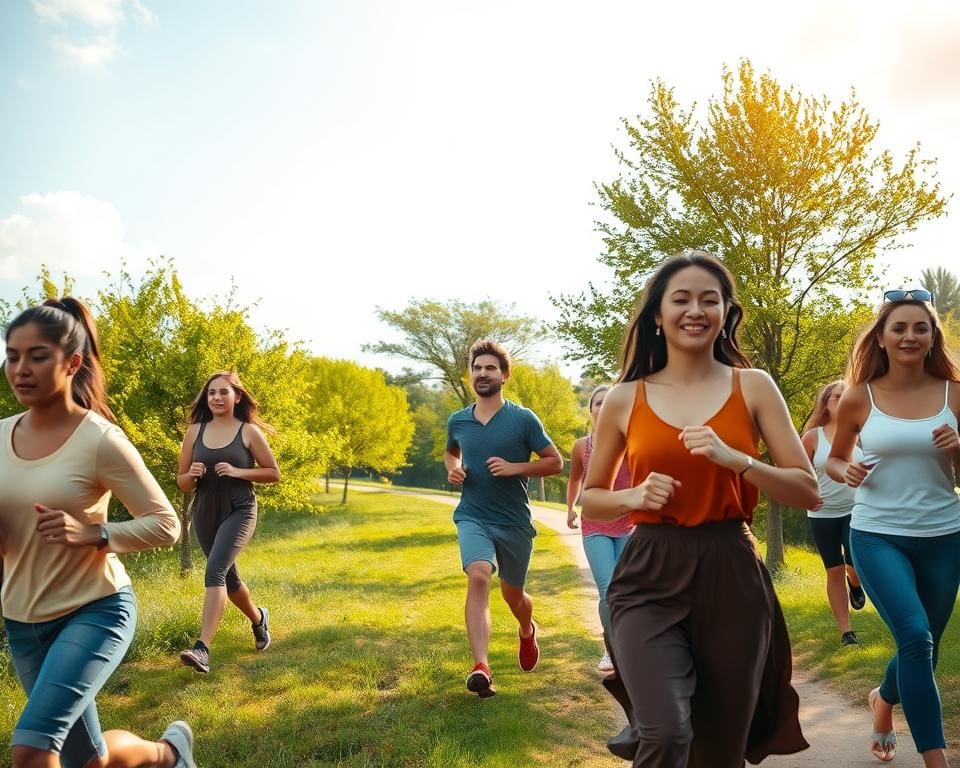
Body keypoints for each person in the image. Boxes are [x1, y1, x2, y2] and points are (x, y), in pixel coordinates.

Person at [581, 250, 816, 767]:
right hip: (649, 571)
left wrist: (740, 461)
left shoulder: (752, 386)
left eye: (710, 300)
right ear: (658, 316)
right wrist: (634, 497)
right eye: (681, 299)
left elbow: (807, 489)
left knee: (720, 748)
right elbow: (591, 497)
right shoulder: (624, 397)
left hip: (730, 570)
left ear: (726, 313)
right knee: (664, 731)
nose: (696, 310)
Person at [1, 298, 196, 768]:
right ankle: (168, 755)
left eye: (37, 356)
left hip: (95, 609)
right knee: (89, 761)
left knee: (32, 750)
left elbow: (165, 524)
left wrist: (94, 533)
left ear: (72, 363)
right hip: (23, 621)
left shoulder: (100, 440)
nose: (20, 369)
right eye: (12, 355)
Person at [827, 288, 960, 766]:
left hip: (945, 537)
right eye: (898, 328)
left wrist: (957, 449)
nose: (909, 336)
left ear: (932, 337)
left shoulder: (956, 395)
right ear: (880, 338)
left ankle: (883, 700)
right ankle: (937, 759)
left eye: (919, 328)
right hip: (878, 535)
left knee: (924, 642)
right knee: (916, 637)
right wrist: (848, 472)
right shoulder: (859, 397)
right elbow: (837, 460)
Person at [444, 339, 563, 698]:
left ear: (504, 375)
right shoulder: (458, 420)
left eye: (490, 368)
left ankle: (527, 630)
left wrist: (516, 468)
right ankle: (481, 666)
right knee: (478, 576)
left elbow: (555, 462)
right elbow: (451, 453)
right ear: (470, 375)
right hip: (473, 515)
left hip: (513, 522)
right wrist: (454, 469)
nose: (482, 373)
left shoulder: (523, 419)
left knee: (514, 596)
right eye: (476, 368)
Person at [176, 371, 280, 675]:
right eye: (211, 393)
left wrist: (239, 472)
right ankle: (259, 619)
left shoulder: (248, 432)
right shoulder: (194, 432)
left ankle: (202, 649)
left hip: (240, 509)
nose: (217, 398)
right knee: (229, 581)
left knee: (215, 570)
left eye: (223, 392)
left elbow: (273, 472)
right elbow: (182, 483)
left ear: (237, 396)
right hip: (205, 512)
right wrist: (191, 475)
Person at [566, 384, 633, 672]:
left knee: (627, 591)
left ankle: (630, 648)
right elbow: (574, 480)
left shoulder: (632, 442)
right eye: (598, 403)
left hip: (630, 526)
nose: (603, 408)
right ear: (590, 410)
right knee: (608, 590)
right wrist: (570, 508)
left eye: (609, 403)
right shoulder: (583, 446)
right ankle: (611, 650)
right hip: (596, 526)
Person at [800, 380, 867, 645]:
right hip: (822, 514)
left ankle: (856, 580)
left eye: (846, 396)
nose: (842, 400)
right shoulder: (813, 437)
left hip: (857, 510)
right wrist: (806, 496)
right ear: (825, 404)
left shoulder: (862, 432)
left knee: (854, 562)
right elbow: (798, 471)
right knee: (834, 570)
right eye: (836, 397)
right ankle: (846, 631)